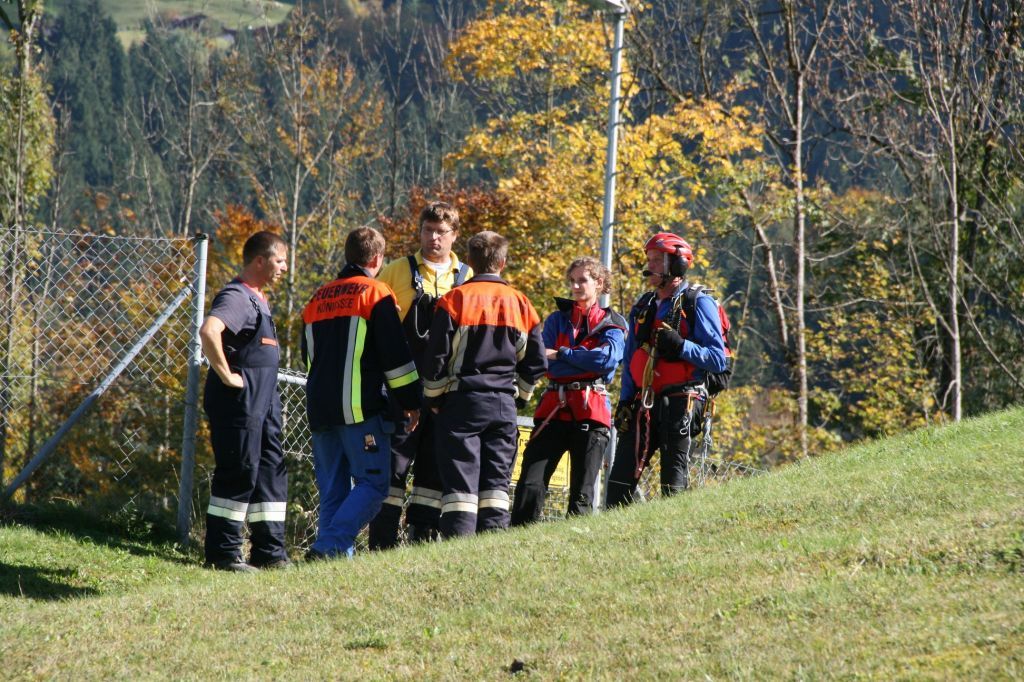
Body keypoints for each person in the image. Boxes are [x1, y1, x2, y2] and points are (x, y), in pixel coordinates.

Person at [301, 226, 421, 560]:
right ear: (378, 258)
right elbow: (395, 356)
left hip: (320, 409)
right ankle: (327, 547)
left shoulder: (317, 298)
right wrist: (412, 402)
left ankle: (332, 561)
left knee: (333, 491)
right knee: (374, 485)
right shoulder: (375, 293)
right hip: (359, 410)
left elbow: (307, 357)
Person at [422, 231, 547, 538]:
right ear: (502, 263)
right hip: (503, 404)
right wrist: (519, 397)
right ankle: (492, 546)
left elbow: (435, 358)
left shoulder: (454, 300)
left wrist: (434, 399)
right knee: (496, 489)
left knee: (460, 490)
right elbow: (536, 361)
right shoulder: (521, 303)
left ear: (470, 262)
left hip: (461, 403)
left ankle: (458, 547)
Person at [367, 201, 473, 548]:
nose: (434, 238)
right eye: (428, 230)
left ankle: (422, 538)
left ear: (454, 235)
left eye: (442, 232)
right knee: (394, 465)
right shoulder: (396, 271)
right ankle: (382, 542)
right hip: (400, 391)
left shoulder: (466, 277)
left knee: (433, 467)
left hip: (446, 393)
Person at [606, 232, 727, 507]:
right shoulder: (643, 306)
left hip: (681, 401)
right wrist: (625, 400)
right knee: (618, 485)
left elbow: (718, 359)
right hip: (643, 403)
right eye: (648, 259)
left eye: (656, 260)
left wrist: (680, 346)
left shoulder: (698, 302)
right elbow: (630, 358)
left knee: (673, 484)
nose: (649, 266)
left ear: (677, 265)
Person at [509, 257, 626, 526]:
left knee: (582, 493)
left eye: (582, 280)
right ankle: (518, 538)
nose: (575, 286)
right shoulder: (556, 320)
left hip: (591, 413)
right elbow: (542, 360)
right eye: (572, 281)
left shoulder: (613, 323)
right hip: (553, 409)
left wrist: (562, 353)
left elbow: (606, 360)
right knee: (530, 483)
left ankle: (575, 543)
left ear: (599, 283)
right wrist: (582, 360)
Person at [200, 230, 290, 572]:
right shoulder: (237, 296)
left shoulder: (258, 299)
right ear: (260, 261)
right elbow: (209, 331)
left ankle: (269, 552)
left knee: (268, 471)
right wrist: (226, 375)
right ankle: (223, 554)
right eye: (280, 261)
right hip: (240, 404)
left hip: (263, 405)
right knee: (239, 471)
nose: (284, 268)